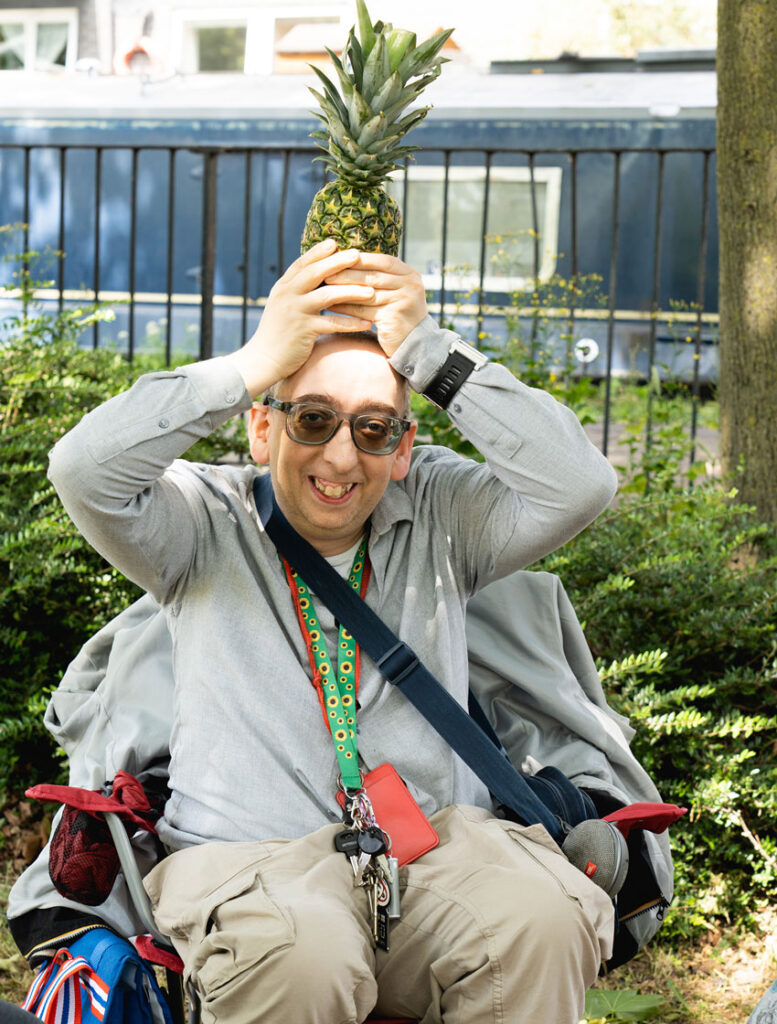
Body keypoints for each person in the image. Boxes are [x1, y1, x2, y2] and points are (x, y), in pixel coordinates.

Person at [48, 238, 618, 1024]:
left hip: (431, 853)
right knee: (303, 955)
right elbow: (83, 470)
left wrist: (430, 352)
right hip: (253, 863)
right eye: (312, 420)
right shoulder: (198, 522)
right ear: (261, 428)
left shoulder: (444, 518)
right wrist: (251, 361)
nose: (342, 457)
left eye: (375, 429)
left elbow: (580, 482)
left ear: (403, 447)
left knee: (538, 922)